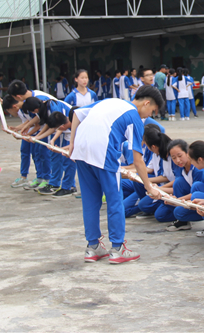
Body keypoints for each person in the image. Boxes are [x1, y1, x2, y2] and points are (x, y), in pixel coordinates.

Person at [68, 85, 163, 264]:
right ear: (147, 102)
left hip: (81, 149)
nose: (150, 115)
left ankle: (92, 247)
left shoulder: (111, 101)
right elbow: (138, 159)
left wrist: (72, 142)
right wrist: (149, 187)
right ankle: (118, 248)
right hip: (103, 152)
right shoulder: (134, 116)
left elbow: (77, 114)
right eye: (152, 111)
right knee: (114, 200)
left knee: (90, 200)